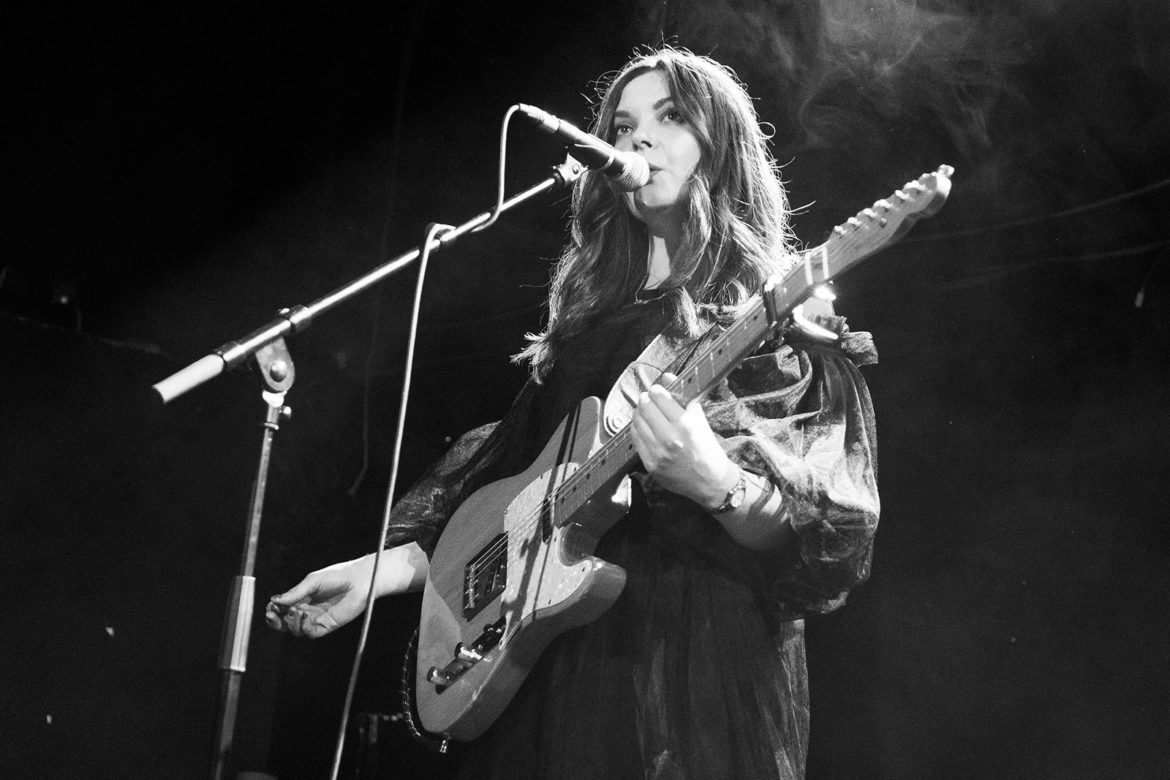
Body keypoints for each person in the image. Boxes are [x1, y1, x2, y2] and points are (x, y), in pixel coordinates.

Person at [266, 45, 880, 779]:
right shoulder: (585, 325)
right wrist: (384, 570)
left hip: (679, 670)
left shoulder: (774, 326)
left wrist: (715, 482)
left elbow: (827, 533)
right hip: (540, 667)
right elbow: (502, 482)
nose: (635, 140)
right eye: (621, 125)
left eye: (670, 117)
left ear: (723, 152)